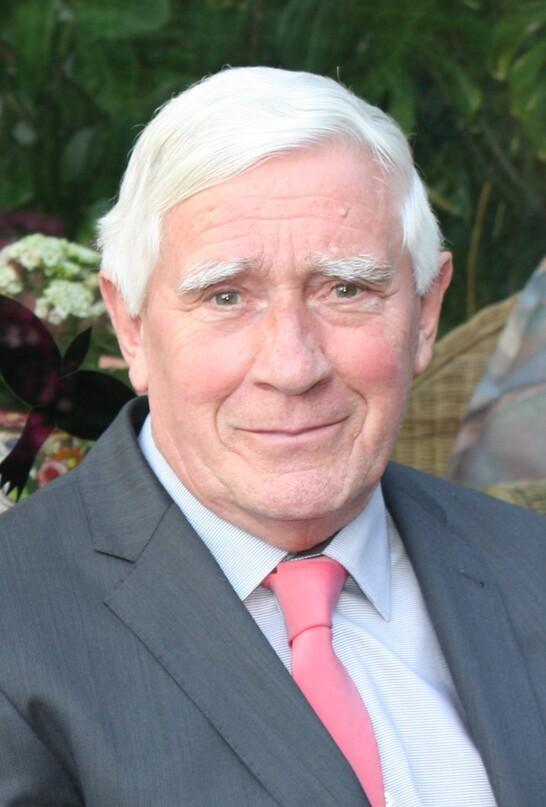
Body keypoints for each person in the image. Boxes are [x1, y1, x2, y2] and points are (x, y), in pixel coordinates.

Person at [0, 67, 544, 807]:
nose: (292, 366)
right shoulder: (16, 623)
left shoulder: (530, 565)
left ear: (424, 313)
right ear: (132, 326)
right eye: (226, 296)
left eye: (346, 289)